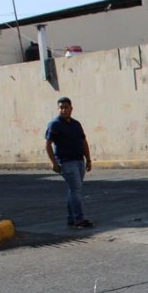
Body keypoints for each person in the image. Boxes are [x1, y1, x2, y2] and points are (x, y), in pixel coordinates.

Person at [45, 96, 94, 229]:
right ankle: (79, 219)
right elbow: (48, 144)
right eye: (61, 108)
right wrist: (54, 163)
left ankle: (71, 219)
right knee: (75, 189)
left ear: (71, 108)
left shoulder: (76, 124)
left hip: (79, 161)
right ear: (58, 109)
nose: (64, 110)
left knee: (73, 190)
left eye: (66, 107)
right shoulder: (55, 124)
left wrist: (88, 159)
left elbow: (83, 142)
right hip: (66, 162)